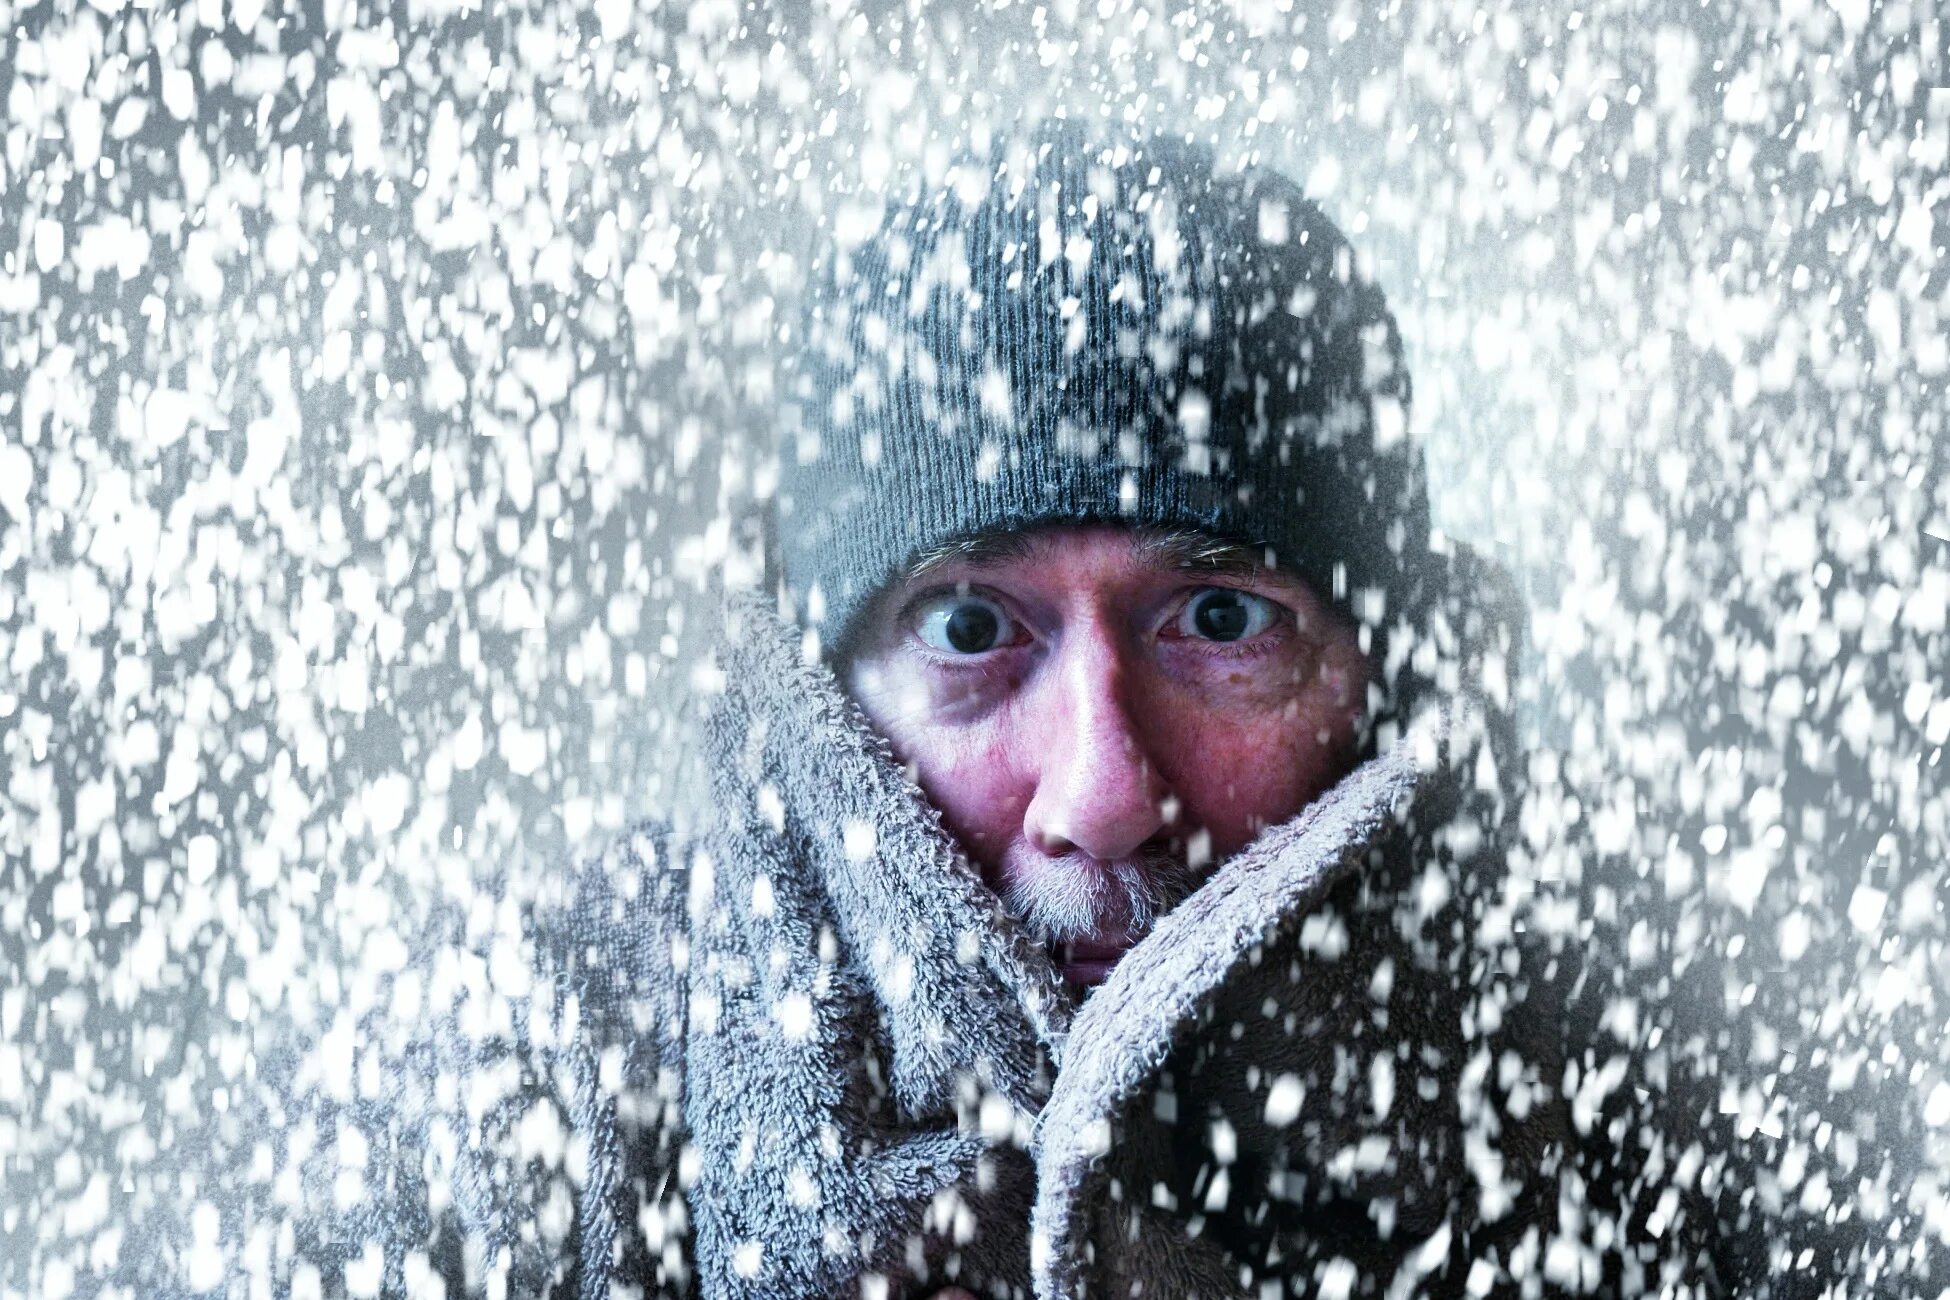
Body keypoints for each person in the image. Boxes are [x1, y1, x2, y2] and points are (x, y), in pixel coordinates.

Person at [144, 122, 1579, 1299]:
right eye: (969, 629)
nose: (1098, 794)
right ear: (819, 706)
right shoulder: (497, 1119)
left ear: (1386, 673)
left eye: (1217, 621)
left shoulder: (1606, 1124)